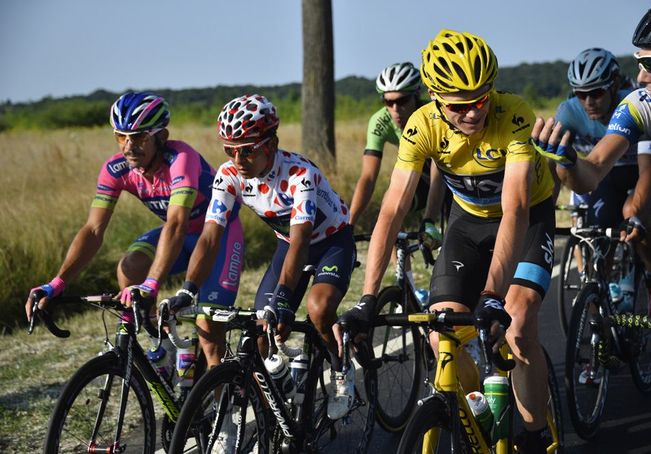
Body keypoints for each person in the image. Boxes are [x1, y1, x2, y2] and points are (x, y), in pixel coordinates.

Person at [336, 29, 556, 452]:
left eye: (482, 98)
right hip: (467, 222)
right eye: (460, 105)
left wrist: (492, 294)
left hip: (527, 219)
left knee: (519, 322)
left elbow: (515, 209)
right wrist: (366, 298)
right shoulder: (421, 125)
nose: (474, 113)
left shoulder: (514, 115)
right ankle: (481, 409)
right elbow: (393, 209)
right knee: (442, 336)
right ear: (436, 98)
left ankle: (534, 435)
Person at [531, 0, 651, 441]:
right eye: (638, 64)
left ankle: (648, 270)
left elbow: (649, 180)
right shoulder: (640, 105)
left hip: (645, 174)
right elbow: (592, 170)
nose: (641, 78)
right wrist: (566, 161)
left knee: (638, 211)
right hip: (620, 178)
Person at [25, 92, 244, 374]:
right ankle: (160, 341)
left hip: (219, 237)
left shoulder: (181, 158)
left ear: (160, 136)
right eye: (121, 137)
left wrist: (152, 283)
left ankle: (222, 415)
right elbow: (93, 230)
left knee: (209, 335)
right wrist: (56, 283)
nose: (129, 146)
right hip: (179, 235)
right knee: (130, 267)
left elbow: (176, 223)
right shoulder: (116, 170)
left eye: (139, 137)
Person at [208, 94, 356, 422]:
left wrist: (285, 298)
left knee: (318, 310)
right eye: (229, 149)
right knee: (262, 331)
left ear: (270, 144)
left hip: (331, 243)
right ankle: (279, 414)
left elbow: (301, 242)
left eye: (246, 149)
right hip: (286, 246)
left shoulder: (300, 174)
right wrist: (190, 288)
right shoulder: (229, 174)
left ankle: (341, 369)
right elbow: (210, 235)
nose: (237, 158)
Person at [557, 47, 651, 318]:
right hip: (609, 172)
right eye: (580, 93)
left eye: (596, 92)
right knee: (597, 233)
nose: (588, 102)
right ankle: (604, 296)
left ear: (613, 87)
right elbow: (561, 168)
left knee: (633, 215)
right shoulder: (569, 113)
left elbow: (647, 173)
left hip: (649, 166)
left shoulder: (634, 105)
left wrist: (636, 219)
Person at [350, 62, 444, 264]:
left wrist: (429, 219)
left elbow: (439, 174)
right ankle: (403, 277)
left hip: (447, 174)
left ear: (416, 95)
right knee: (388, 207)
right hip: (419, 174)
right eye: (388, 102)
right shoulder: (380, 121)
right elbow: (367, 178)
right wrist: (349, 224)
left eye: (402, 101)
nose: (395, 109)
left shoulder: (432, 114)